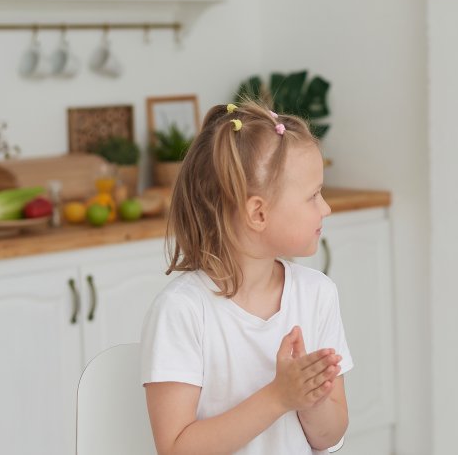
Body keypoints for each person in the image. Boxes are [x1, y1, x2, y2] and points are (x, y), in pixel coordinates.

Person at [141, 101, 351, 455]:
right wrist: (278, 397)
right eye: (313, 196)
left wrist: (310, 399)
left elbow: (330, 436)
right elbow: (175, 449)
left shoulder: (317, 294)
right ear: (258, 213)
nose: (325, 208)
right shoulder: (182, 310)